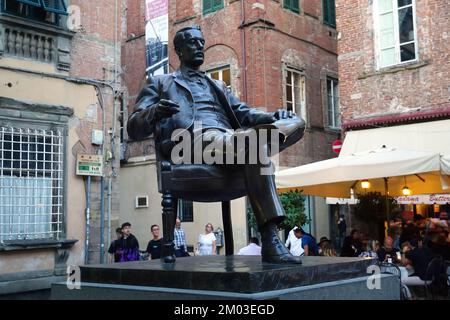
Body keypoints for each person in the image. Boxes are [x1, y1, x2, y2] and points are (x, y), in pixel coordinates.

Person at [127, 25, 306, 264]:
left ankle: (271, 135)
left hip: (229, 140)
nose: (200, 47)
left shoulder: (217, 85)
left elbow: (244, 113)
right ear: (179, 50)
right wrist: (154, 112)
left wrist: (274, 116)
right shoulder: (161, 82)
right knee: (254, 147)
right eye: (193, 42)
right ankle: (271, 240)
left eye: (202, 42)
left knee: (293, 123)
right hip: (189, 141)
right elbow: (133, 127)